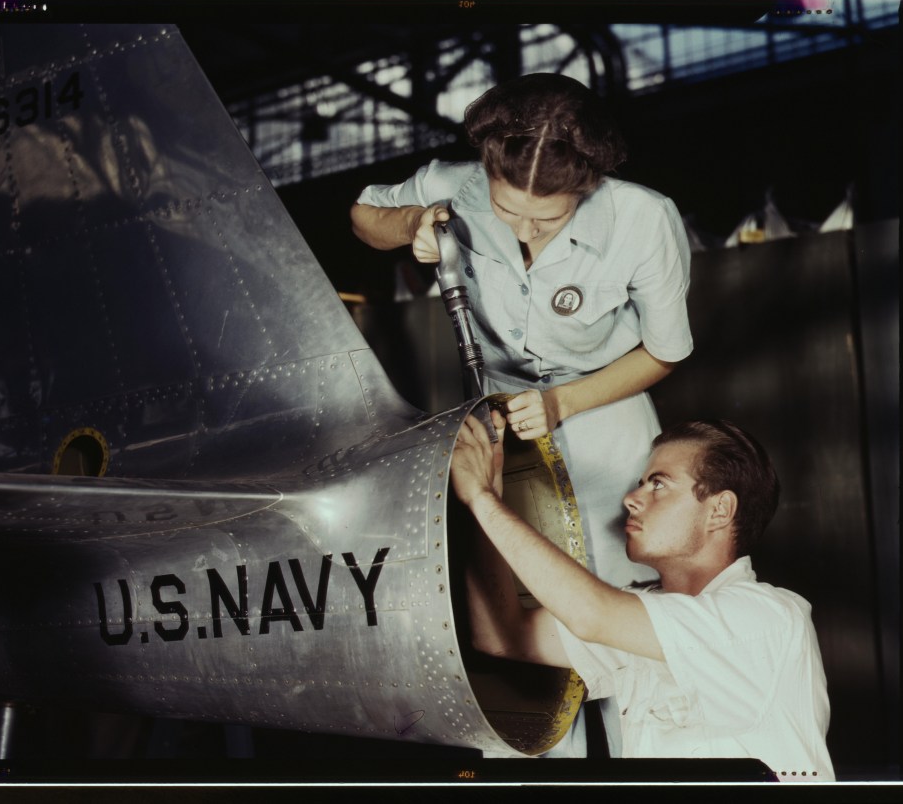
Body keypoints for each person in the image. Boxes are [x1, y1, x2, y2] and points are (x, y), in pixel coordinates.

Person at [351, 72, 694, 755]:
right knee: (517, 614)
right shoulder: (458, 184)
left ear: (589, 183)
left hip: (602, 408)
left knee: (622, 606)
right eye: (509, 214)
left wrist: (564, 401)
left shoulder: (645, 218)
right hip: (496, 417)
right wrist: (413, 224)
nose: (526, 230)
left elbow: (665, 350)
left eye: (549, 217)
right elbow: (363, 215)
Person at [450, 412, 835, 781]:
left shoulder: (769, 618)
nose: (631, 499)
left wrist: (484, 500)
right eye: (641, 482)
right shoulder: (645, 617)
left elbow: (592, 614)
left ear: (720, 510)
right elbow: (501, 637)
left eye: (659, 484)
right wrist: (487, 494)